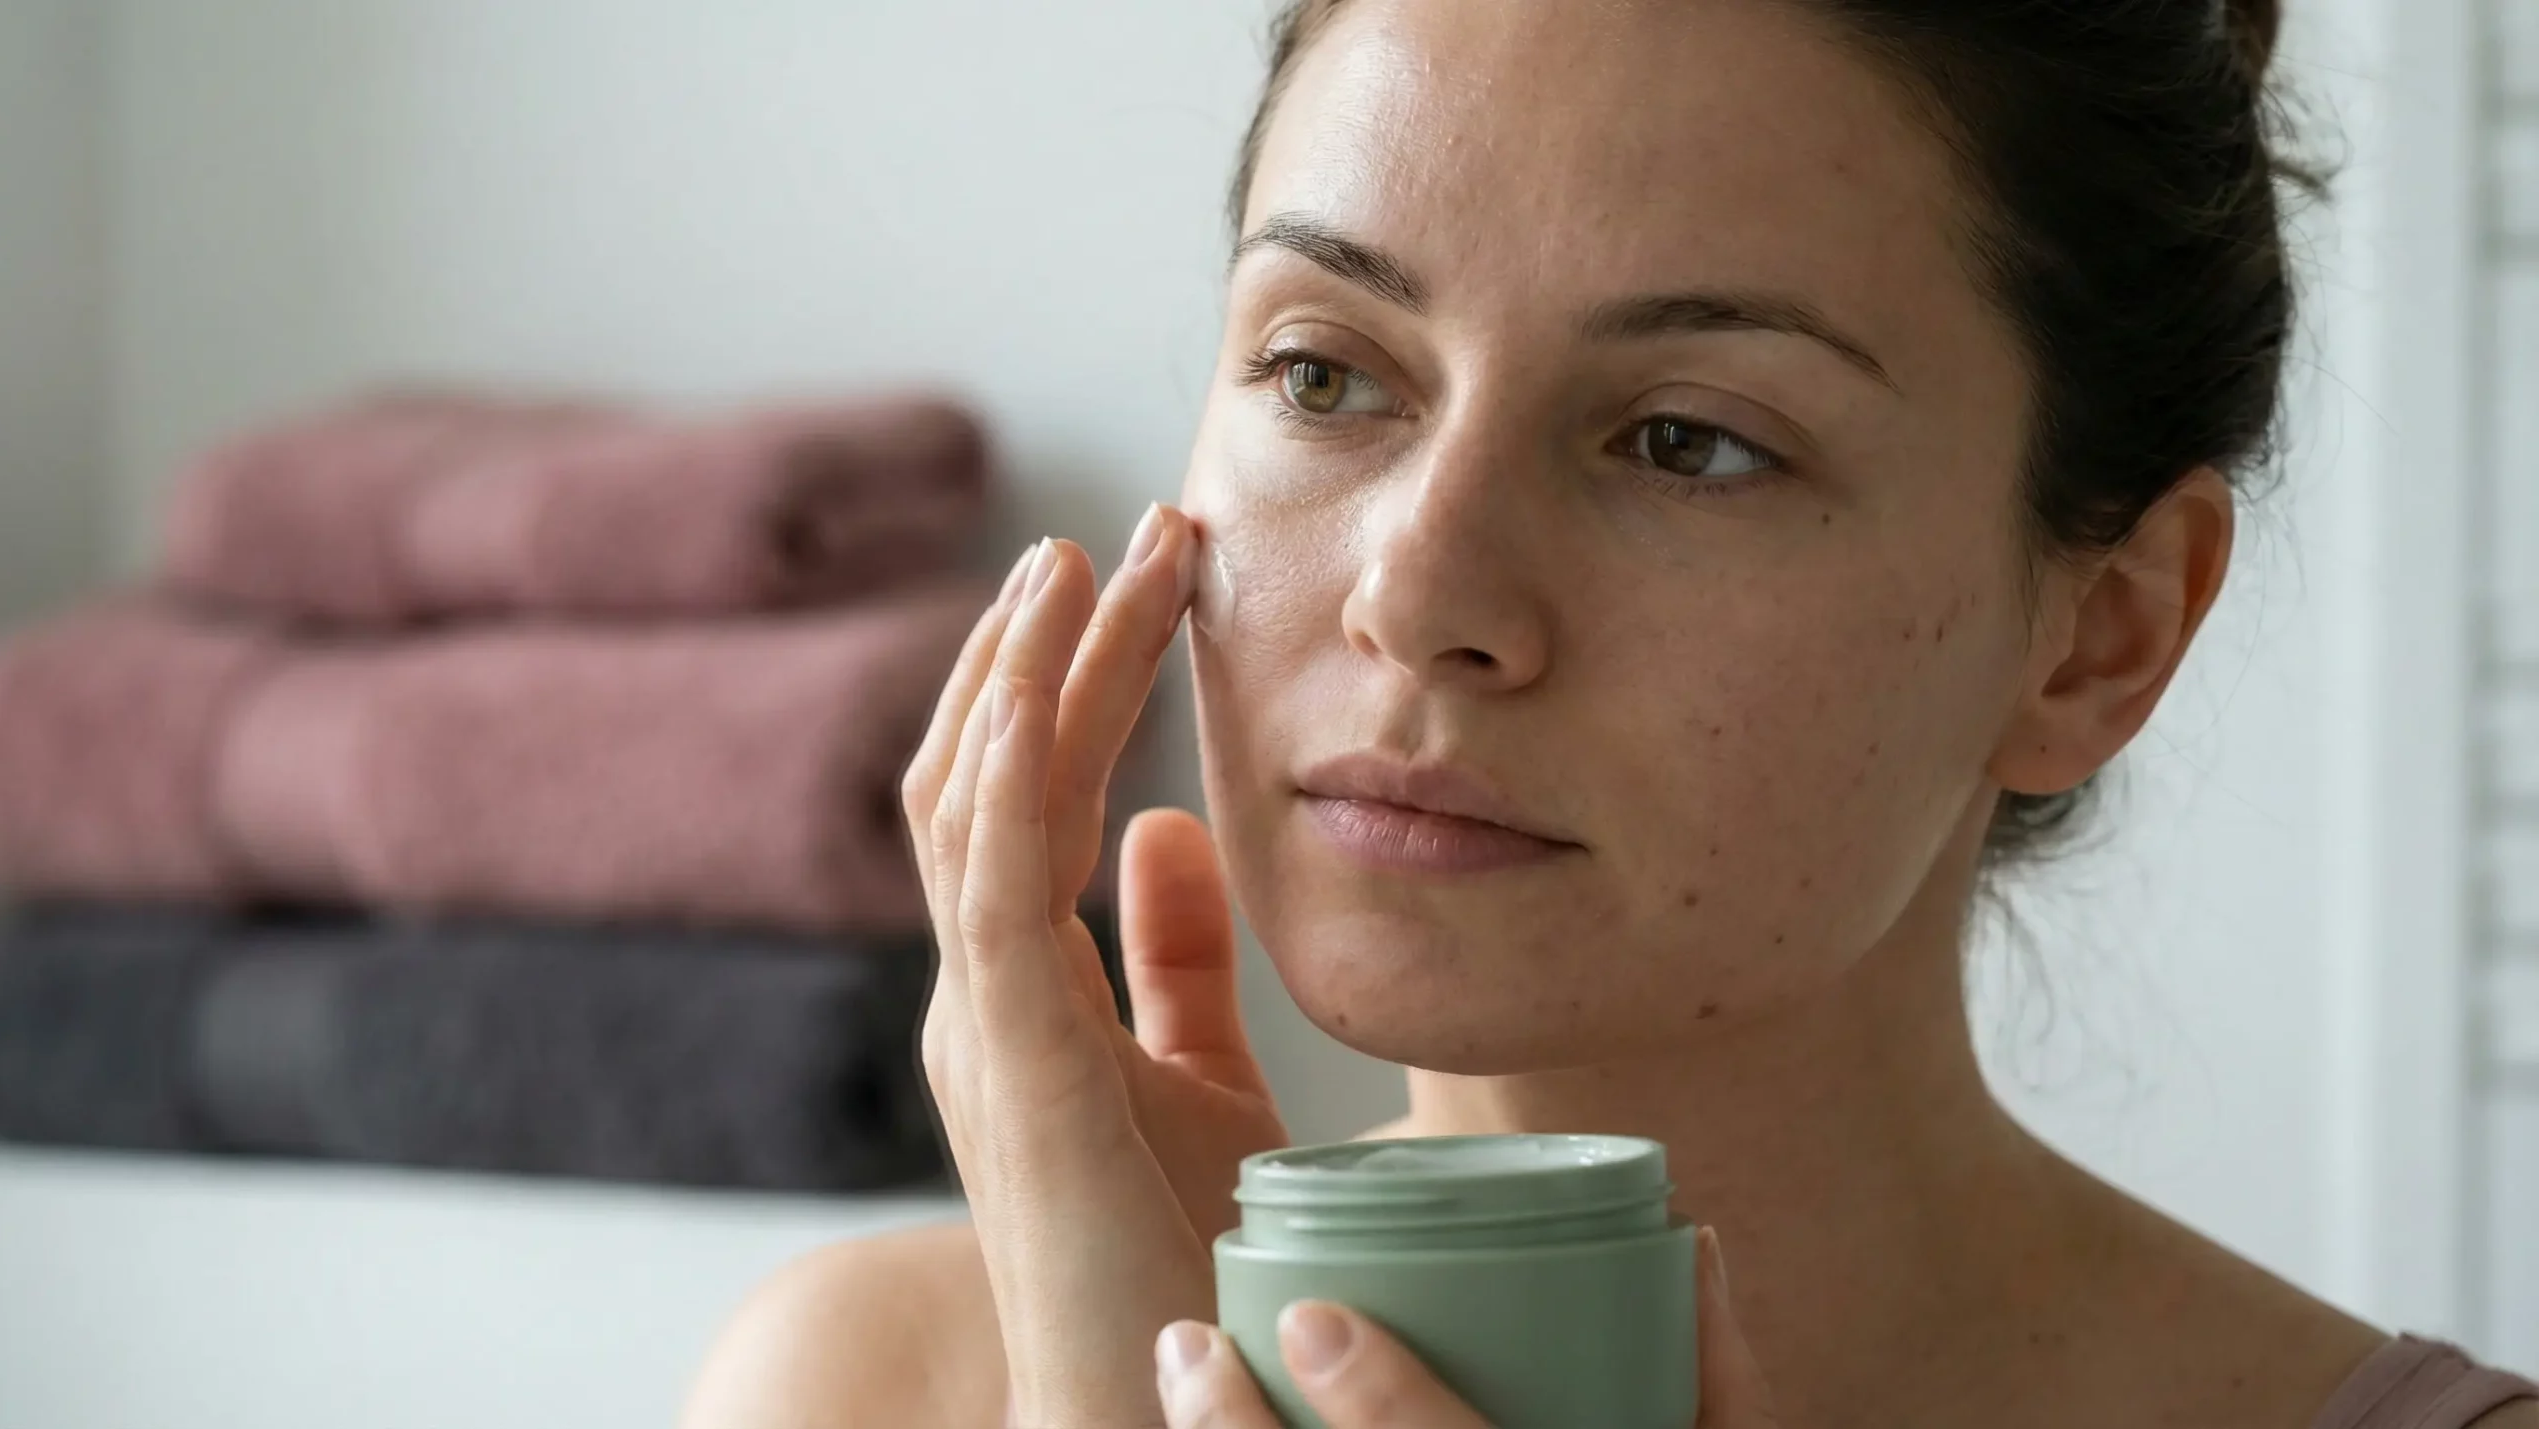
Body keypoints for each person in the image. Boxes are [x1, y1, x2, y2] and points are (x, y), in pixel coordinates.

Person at [681, 0, 2539, 1424]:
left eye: (1689, 440)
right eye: (1324, 372)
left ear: (2098, 640)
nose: (1417, 593)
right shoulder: (871, 1386)